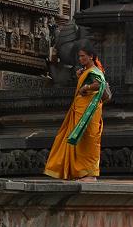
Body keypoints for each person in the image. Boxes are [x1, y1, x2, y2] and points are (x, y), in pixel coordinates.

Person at [44, 44, 107, 181]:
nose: (80, 59)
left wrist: (86, 87)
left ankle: (90, 174)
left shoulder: (94, 71)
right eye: (79, 56)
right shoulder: (86, 71)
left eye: (83, 56)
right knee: (76, 140)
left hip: (89, 113)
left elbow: (99, 84)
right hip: (79, 110)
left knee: (88, 140)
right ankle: (77, 171)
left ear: (91, 56)